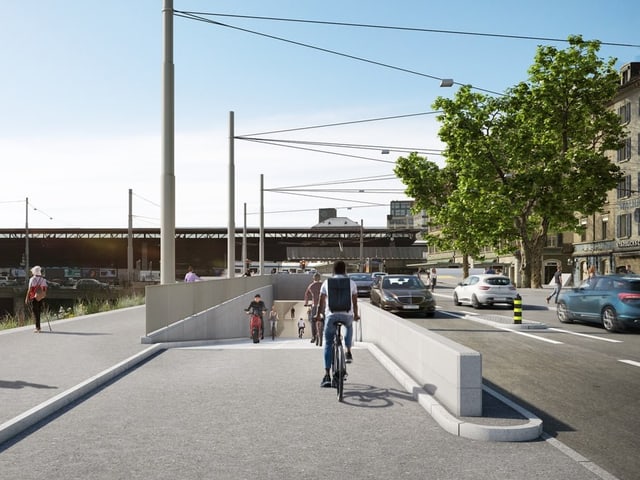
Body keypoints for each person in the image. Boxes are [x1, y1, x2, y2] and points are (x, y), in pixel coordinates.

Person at [315, 260, 359, 388]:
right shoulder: (351, 283)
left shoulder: (326, 283)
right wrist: (355, 315)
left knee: (328, 343)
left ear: (333, 270)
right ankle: (348, 350)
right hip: (346, 315)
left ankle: (327, 375)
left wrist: (318, 315)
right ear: (345, 270)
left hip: (331, 315)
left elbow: (321, 302)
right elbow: (355, 303)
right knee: (349, 326)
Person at [25, 265, 47, 333]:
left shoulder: (32, 279)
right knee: (38, 312)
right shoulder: (43, 279)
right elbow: (45, 289)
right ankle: (38, 327)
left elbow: (29, 289)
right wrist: (42, 295)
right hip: (41, 297)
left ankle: (38, 328)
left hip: (33, 297)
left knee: (35, 312)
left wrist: (27, 298)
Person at [304, 272, 323, 344]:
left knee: (313, 320)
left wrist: (306, 303)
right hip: (322, 305)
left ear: (313, 278)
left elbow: (306, 295)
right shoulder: (323, 285)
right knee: (325, 318)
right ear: (320, 278)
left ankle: (313, 336)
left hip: (314, 305)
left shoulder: (311, 286)